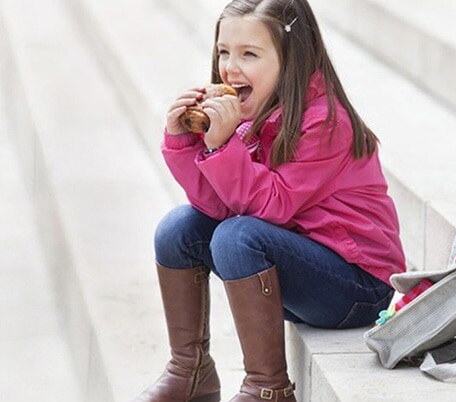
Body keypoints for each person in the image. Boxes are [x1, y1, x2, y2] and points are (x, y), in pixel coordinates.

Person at [135, 0, 406, 401]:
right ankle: (189, 369)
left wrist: (224, 146)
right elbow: (218, 205)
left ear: (291, 59)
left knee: (237, 235)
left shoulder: (326, 123)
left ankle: (269, 388)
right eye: (224, 51)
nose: (229, 67)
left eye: (249, 54)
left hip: (356, 286)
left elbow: (271, 207)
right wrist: (183, 143)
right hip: (296, 273)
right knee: (180, 228)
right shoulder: (252, 115)